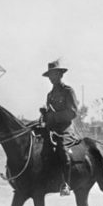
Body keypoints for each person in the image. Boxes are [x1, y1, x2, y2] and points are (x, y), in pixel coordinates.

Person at [39, 59, 79, 196]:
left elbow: (73, 112)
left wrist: (54, 117)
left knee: (62, 149)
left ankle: (65, 184)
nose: (51, 78)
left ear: (60, 75)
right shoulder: (49, 95)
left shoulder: (68, 91)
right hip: (52, 130)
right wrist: (45, 115)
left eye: (54, 75)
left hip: (65, 129)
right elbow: (48, 117)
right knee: (40, 148)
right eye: (50, 75)